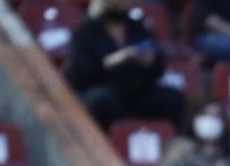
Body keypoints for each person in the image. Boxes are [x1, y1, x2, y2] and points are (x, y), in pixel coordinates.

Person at [67, 0, 186, 131]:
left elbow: (157, 62)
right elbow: (80, 70)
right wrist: (114, 60)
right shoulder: (87, 31)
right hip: (102, 87)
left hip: (135, 90)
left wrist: (150, 61)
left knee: (172, 99)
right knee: (103, 100)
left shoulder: (137, 28)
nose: (122, 5)